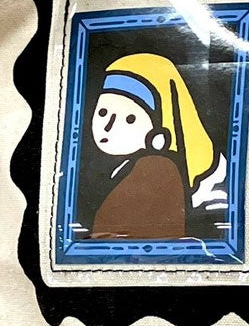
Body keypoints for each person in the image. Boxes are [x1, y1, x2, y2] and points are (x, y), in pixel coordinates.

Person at [87, 54, 223, 240]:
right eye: (103, 112)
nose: (108, 127)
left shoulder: (156, 169)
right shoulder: (127, 168)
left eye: (130, 119)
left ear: (158, 132)